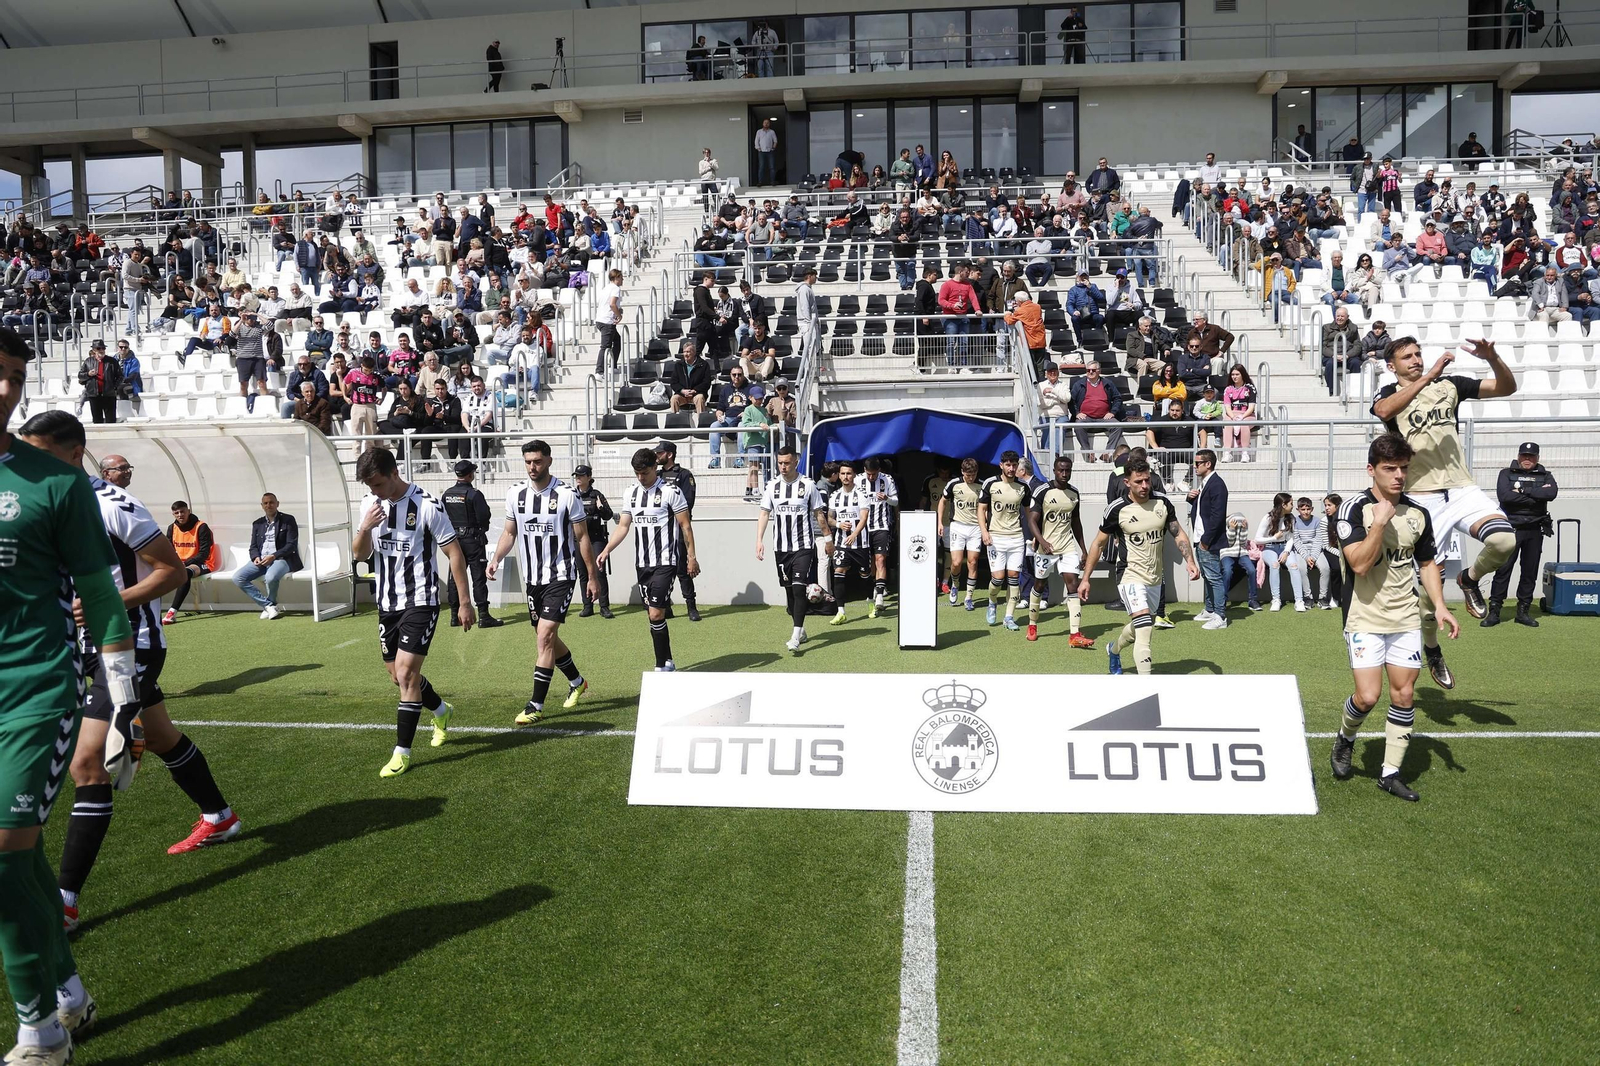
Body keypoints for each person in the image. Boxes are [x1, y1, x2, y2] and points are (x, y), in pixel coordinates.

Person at [17, 418, 240, 939]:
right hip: (89, 647)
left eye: (40, 454)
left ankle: (64, 903)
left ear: (75, 455)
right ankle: (220, 816)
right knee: (161, 737)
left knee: (87, 764)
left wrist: (105, 602)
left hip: (131, 645)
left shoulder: (114, 504)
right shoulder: (48, 504)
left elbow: (172, 571)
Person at [0, 332, 126, 1066]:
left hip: (36, 690)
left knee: (2, 859)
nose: (7, 390)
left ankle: (41, 1032)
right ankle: (69, 992)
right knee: (21, 863)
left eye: (16, 377)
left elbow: (99, 591)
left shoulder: (54, 482)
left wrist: (124, 695)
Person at [1372, 337, 1517, 689]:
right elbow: (1384, 412)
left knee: (1504, 541)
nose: (1416, 359)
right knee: (1426, 595)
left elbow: (1506, 388)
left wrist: (1493, 358)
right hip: (1422, 500)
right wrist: (1427, 377)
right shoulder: (1388, 393)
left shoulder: (1450, 386)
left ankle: (1469, 579)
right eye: (1407, 357)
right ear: (1391, 366)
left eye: (1418, 354)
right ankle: (1432, 649)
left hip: (1462, 488)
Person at [1331, 433, 1460, 802]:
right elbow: (1359, 564)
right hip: (1364, 617)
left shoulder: (1418, 513)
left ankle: (1390, 774)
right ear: (1371, 470)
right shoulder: (1353, 510)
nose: (1399, 475)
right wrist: (1379, 524)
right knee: (1367, 696)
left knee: (1404, 694)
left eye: (1404, 468)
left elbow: (1427, 563)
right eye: (1390, 468)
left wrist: (1439, 604)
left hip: (1405, 618)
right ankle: (1346, 737)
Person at [352, 447, 475, 778]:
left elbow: (454, 553)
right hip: (386, 604)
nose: (374, 491)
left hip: (421, 600)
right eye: (369, 486)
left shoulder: (427, 505)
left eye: (378, 484)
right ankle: (441, 709)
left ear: (394, 473)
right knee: (398, 676)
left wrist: (464, 602)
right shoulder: (370, 505)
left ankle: (401, 753)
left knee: (406, 674)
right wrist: (365, 527)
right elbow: (360, 555)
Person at [487, 440, 599, 722]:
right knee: (545, 636)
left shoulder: (566, 495)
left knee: (545, 636)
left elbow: (582, 537)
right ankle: (577, 681)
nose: (532, 467)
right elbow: (509, 533)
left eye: (537, 461)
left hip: (560, 575)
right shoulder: (515, 494)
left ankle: (535, 705)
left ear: (549, 460)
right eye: (528, 462)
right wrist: (496, 558)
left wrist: (592, 577)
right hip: (532, 579)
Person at [1080, 457, 1199, 675]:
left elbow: (1178, 533)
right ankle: (1146, 685)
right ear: (1127, 482)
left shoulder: (1162, 502)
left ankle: (1114, 649)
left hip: (1154, 578)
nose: (1144, 486)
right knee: (1145, 630)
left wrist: (1190, 561)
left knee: (1141, 626)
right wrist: (1086, 578)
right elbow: (1098, 543)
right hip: (1129, 575)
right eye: (1138, 482)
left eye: (1147, 480)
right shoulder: (1117, 509)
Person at [595, 449, 699, 672]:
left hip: (666, 561)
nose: (641, 477)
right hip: (642, 564)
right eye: (637, 473)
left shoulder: (671, 491)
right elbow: (623, 526)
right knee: (653, 615)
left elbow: (685, 526)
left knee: (656, 612)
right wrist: (606, 550)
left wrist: (691, 557)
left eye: (645, 472)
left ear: (654, 467)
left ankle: (661, 665)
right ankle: (667, 659)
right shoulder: (631, 493)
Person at [755, 444, 830, 654]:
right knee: (789, 593)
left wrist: (828, 539)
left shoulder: (808, 485)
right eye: (780, 463)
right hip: (781, 548)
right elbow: (764, 513)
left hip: (803, 546)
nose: (783, 467)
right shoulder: (772, 486)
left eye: (787, 463)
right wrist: (759, 540)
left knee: (798, 588)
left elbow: (819, 514)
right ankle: (801, 629)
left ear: (796, 462)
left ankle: (795, 636)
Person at [1485, 441, 1557, 629]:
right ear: (1518, 456)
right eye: (1524, 455)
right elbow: (1505, 496)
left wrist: (1523, 491)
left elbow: (1551, 493)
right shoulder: (1506, 473)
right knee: (1503, 570)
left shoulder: (1545, 475)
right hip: (1511, 529)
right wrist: (1535, 497)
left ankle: (1523, 612)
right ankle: (1494, 611)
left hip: (1534, 529)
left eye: (1531, 456)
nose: (1527, 459)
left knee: (1529, 571)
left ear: (1537, 458)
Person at [1027, 454, 1094, 647]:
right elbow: (1032, 520)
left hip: (1067, 548)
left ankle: (1075, 634)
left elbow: (1076, 522)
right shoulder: (1043, 491)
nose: (1064, 474)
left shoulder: (1074, 493)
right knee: (1039, 585)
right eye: (1061, 470)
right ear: (1054, 471)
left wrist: (1083, 550)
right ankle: (1032, 624)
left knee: (1073, 585)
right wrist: (1043, 542)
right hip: (1046, 550)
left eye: (1067, 470)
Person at [440, 460, 504, 629]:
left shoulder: (447, 494)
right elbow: (484, 516)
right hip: (473, 540)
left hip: (454, 540)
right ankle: (483, 616)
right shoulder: (474, 494)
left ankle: (454, 616)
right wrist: (481, 530)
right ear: (470, 475)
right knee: (478, 578)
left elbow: (443, 516)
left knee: (455, 576)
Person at [978, 450, 1030, 631]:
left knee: (1014, 576)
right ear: (1001, 465)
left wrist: (1034, 535)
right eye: (1008, 465)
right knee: (998, 578)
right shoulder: (990, 483)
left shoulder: (1023, 487)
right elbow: (981, 509)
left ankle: (1009, 617)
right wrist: (984, 531)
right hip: (996, 538)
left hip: (1016, 537)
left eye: (1014, 465)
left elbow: (1029, 513)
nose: (1011, 468)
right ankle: (992, 602)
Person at [233, 493, 302, 618]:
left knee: (270, 577)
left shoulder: (288, 520)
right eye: (265, 503)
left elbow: (291, 545)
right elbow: (253, 546)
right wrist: (255, 557)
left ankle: (270, 605)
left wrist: (273, 556)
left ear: (277, 504)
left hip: (282, 559)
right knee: (238, 578)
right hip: (261, 560)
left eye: (271, 502)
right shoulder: (257, 523)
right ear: (262, 505)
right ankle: (268, 605)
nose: (268, 505)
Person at [653, 442, 701, 621]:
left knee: (682, 569)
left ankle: (691, 607)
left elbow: (688, 503)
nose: (657, 456)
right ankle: (665, 606)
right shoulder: (656, 476)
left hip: (678, 529)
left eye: (660, 453)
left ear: (670, 454)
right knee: (662, 569)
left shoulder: (684, 475)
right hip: (660, 531)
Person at [1186, 449, 1230, 629]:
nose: (1194, 466)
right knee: (1208, 576)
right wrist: (1191, 499)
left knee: (1214, 577)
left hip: (1208, 541)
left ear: (1208, 464)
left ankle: (1220, 616)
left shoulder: (1217, 484)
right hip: (1201, 539)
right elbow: (1203, 510)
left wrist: (1206, 540)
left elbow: (1217, 516)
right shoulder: (1206, 483)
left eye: (1197, 463)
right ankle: (1210, 609)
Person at [824, 461, 870, 626]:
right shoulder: (835, 496)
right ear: (839, 475)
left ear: (854, 475)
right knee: (839, 572)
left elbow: (864, 517)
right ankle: (841, 611)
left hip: (860, 543)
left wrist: (855, 534)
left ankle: (871, 601)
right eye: (842, 473)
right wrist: (838, 524)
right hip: (841, 543)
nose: (845, 476)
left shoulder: (861, 494)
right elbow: (829, 518)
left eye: (848, 473)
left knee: (865, 575)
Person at [939, 458, 984, 611]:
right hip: (957, 526)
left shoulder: (982, 485)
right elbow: (943, 501)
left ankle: (969, 597)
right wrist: (940, 522)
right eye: (968, 475)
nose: (971, 478)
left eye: (973, 474)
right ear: (962, 472)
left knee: (973, 562)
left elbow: (986, 507)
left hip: (975, 527)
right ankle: (955, 585)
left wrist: (985, 526)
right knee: (956, 562)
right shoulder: (954, 484)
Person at [164, 499, 218, 622]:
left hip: (203, 563)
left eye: (182, 512)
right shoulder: (172, 528)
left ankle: (172, 612)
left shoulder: (201, 527)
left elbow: (204, 554)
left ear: (188, 511)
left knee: (185, 573)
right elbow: (169, 550)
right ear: (173, 514)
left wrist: (184, 563)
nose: (180, 515)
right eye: (176, 513)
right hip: (181, 564)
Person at [572, 465, 614, 618]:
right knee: (583, 573)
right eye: (576, 475)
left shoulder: (597, 495)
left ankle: (604, 607)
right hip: (578, 540)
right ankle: (587, 606)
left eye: (581, 475)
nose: (578, 478)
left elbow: (608, 515)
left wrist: (600, 508)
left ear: (589, 477)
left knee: (599, 571)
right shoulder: (572, 495)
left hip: (596, 538)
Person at [858, 457, 898, 618]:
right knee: (868, 563)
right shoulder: (858, 480)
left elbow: (896, 501)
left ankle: (880, 595)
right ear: (864, 470)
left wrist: (887, 498)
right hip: (863, 527)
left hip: (881, 526)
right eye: (868, 474)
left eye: (874, 474)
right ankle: (875, 587)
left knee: (880, 559)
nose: (871, 477)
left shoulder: (887, 479)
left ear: (879, 471)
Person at [1255, 492, 1306, 612]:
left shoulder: (1291, 518)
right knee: (1274, 565)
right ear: (1283, 505)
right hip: (1269, 548)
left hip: (1285, 547)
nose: (1293, 506)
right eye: (1291, 503)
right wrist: (1274, 538)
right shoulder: (1268, 518)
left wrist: (1286, 552)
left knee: (1294, 566)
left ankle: (1299, 600)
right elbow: (1257, 539)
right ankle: (1276, 599)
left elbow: (1291, 538)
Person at [1069, 363, 1126, 462]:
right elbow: (1071, 401)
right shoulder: (1079, 384)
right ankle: (1088, 453)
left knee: (1118, 426)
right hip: (1085, 418)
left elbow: (1117, 398)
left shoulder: (1107, 383)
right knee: (1078, 426)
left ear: (1099, 371)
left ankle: (1107, 453)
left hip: (1104, 417)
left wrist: (1112, 412)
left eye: (1093, 370)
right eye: (1088, 370)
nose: (1090, 372)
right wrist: (1077, 413)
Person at [1290, 496, 1334, 609]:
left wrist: (1313, 557)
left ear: (1312, 509)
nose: (1306, 512)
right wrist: (1306, 557)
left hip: (1316, 551)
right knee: (1301, 568)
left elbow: (1318, 540)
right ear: (1298, 510)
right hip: (1301, 552)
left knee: (1325, 568)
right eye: (1303, 509)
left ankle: (1322, 598)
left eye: (1308, 509)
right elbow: (1296, 541)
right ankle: (1308, 597)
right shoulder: (1294, 522)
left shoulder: (1317, 521)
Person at [76, 340, 122, 425]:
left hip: (109, 394)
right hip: (94, 395)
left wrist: (114, 387)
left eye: (103, 348)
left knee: (111, 420)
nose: (101, 350)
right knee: (97, 420)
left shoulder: (112, 361)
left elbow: (120, 376)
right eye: (98, 348)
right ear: (94, 350)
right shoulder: (88, 361)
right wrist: (88, 374)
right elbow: (80, 375)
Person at [1221, 363, 1256, 462]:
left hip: (1247, 414)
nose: (1234, 377)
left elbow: (1251, 407)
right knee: (1228, 424)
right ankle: (1227, 453)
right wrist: (1233, 417)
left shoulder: (1250, 388)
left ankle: (1245, 453)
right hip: (1232, 414)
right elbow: (1227, 407)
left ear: (1242, 375)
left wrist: (1242, 417)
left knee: (1244, 424)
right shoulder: (1228, 389)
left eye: (1237, 374)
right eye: (1233, 374)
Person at [754, 119, 778, 186]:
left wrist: (773, 148)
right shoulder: (759, 132)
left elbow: (775, 141)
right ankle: (760, 182)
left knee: (772, 167)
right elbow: (756, 141)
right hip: (761, 152)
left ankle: (772, 181)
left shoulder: (772, 132)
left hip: (770, 151)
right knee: (761, 167)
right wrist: (758, 148)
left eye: (767, 123)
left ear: (769, 124)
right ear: (763, 124)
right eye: (765, 123)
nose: (766, 124)